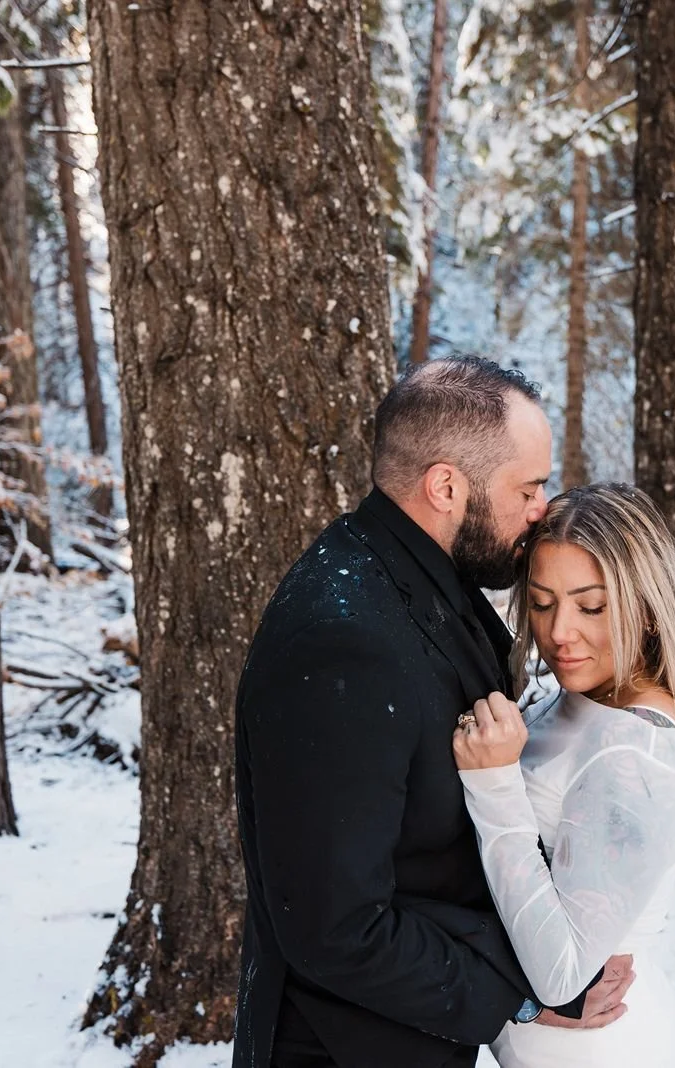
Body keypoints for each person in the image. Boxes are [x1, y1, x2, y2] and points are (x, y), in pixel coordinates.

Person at [233, 355, 634, 1068]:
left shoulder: (410, 579)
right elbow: (337, 927)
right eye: (529, 487)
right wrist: (522, 992)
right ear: (446, 486)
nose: (542, 508)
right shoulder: (343, 641)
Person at [453, 483, 675, 1068]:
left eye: (592, 606)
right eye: (542, 601)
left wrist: (494, 781)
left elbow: (561, 977)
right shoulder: (582, 697)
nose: (559, 632)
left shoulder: (638, 754)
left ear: (648, 611)